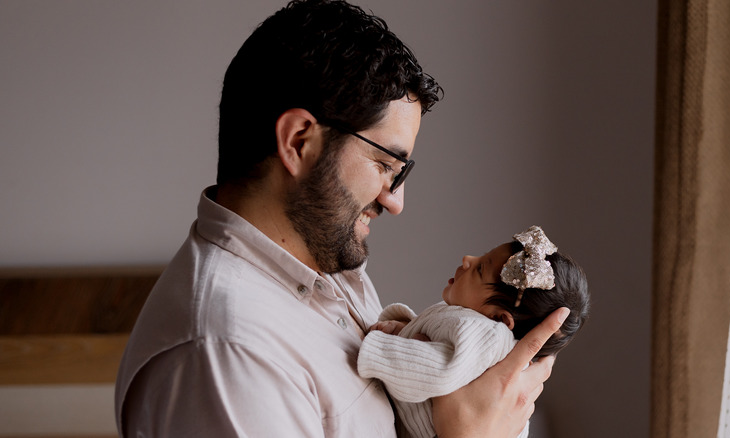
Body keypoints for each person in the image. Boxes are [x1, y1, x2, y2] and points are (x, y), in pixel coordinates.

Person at [114, 1, 569, 437]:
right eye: (387, 164)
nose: (396, 201)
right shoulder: (227, 354)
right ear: (298, 141)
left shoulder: (329, 270)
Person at [357, 226, 590, 438]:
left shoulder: (488, 335)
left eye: (480, 269)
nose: (467, 259)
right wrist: (403, 331)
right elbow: (435, 344)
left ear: (499, 318)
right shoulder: (472, 320)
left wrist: (375, 347)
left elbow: (440, 369)